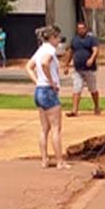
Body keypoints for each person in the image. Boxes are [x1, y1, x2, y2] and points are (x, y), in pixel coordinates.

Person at [26, 26, 69, 169]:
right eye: (57, 38)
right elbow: (45, 63)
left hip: (39, 90)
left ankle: (44, 159)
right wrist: (51, 82)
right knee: (56, 128)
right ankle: (59, 161)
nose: (58, 41)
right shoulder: (49, 50)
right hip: (48, 91)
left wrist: (38, 81)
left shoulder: (40, 49)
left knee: (44, 128)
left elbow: (29, 66)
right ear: (51, 38)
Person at [66, 22, 100, 116]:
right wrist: (67, 65)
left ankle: (97, 106)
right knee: (76, 89)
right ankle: (74, 110)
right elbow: (71, 52)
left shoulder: (91, 39)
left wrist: (92, 59)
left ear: (86, 29)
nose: (81, 30)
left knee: (93, 89)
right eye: (79, 28)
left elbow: (95, 50)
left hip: (89, 69)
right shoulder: (74, 40)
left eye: (82, 28)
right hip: (77, 69)